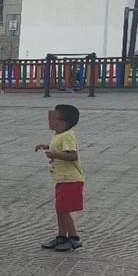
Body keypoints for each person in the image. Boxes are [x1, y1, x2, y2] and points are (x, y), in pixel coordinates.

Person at [35, 104, 84, 251]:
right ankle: (61, 237)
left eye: (54, 117)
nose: (50, 120)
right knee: (60, 209)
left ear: (63, 122)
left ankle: (74, 238)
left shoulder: (68, 135)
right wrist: (46, 146)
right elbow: (58, 147)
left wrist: (55, 155)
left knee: (63, 210)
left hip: (71, 180)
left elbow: (73, 155)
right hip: (62, 179)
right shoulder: (59, 135)